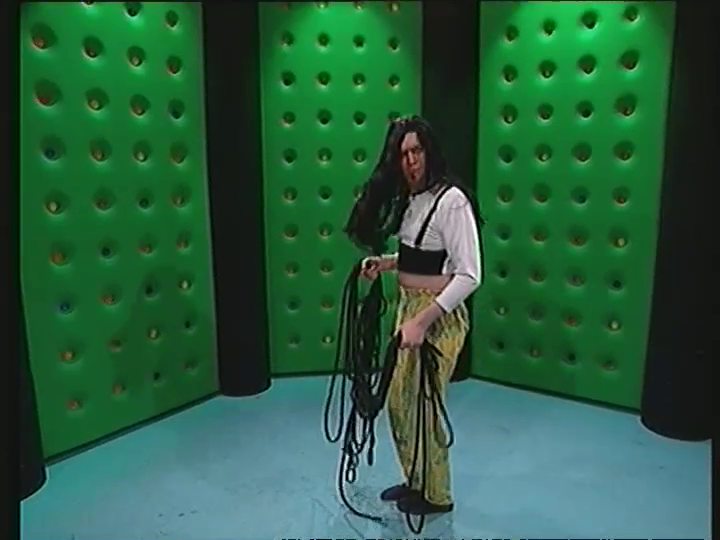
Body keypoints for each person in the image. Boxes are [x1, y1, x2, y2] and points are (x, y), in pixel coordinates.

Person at [343, 115, 485, 516]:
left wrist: (423, 322)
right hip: (408, 309)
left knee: (423, 405)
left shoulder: (452, 201)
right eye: (403, 154)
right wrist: (387, 263)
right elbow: (422, 256)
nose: (410, 161)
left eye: (416, 151)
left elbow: (469, 274)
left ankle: (437, 495)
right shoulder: (412, 200)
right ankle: (416, 480)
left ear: (430, 152)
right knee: (399, 402)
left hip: (436, 318)